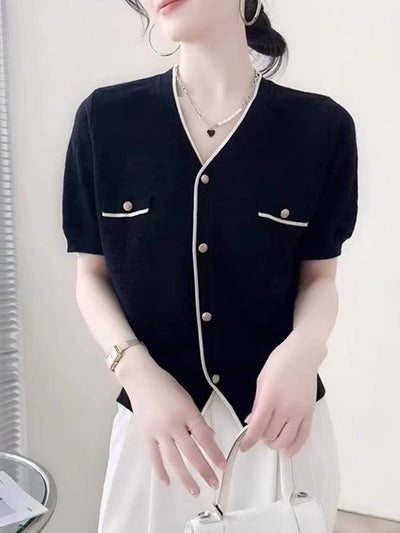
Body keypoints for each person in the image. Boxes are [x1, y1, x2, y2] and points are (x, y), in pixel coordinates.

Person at [61, 1, 359, 532]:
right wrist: (137, 375)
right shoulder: (104, 122)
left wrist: (305, 350)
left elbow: (320, 279)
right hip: (156, 437)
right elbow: (91, 277)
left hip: (279, 427)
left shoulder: (321, 128)